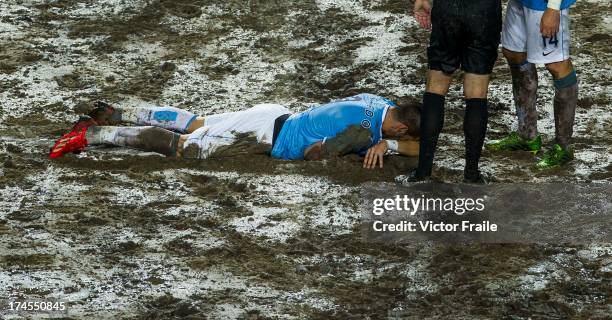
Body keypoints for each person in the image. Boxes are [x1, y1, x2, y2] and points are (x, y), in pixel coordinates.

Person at [49, 94, 421, 169]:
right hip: (263, 140)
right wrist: (367, 147)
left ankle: (119, 110)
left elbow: (396, 140)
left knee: (199, 122)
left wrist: (386, 142)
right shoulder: (362, 131)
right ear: (402, 126)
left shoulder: (377, 102)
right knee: (186, 148)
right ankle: (91, 137)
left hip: (273, 114)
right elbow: (314, 154)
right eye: (408, 136)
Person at [401, 0, 502, 184]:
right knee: (477, 91)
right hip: (484, 11)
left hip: (448, 8)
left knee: (436, 87)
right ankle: (472, 175)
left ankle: (422, 174)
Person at [486, 0, 578, 169]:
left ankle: (563, 147)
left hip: (545, 4)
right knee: (514, 53)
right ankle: (527, 135)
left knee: (557, 65)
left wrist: (553, 8)